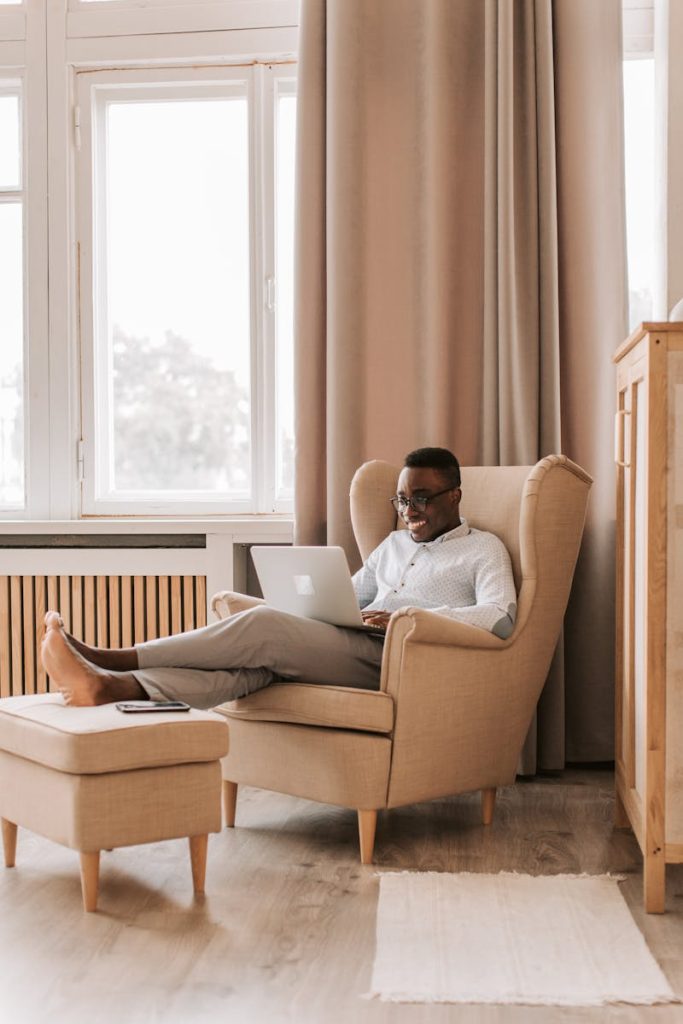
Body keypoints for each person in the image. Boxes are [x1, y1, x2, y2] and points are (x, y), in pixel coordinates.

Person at [41, 447, 516, 709]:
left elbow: (501, 618)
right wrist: (323, 608)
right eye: (402, 500)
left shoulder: (483, 549)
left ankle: (117, 658)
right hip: (354, 645)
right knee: (253, 671)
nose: (409, 511)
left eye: (422, 498)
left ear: (454, 497)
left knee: (264, 626)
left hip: (403, 658)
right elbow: (348, 600)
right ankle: (112, 688)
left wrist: (411, 616)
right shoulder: (390, 547)